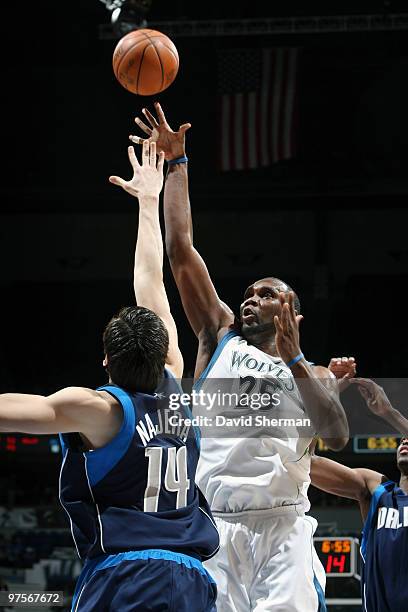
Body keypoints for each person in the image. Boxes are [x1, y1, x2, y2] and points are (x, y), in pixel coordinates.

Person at [130, 103, 349, 612]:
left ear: (291, 310)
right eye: (248, 292)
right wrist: (177, 165)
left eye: (267, 293)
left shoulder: (312, 373)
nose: (251, 297)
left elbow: (336, 435)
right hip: (216, 525)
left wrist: (296, 363)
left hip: (283, 525)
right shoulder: (218, 336)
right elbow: (181, 250)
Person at [0, 142, 219, 612]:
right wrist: (147, 201)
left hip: (127, 576)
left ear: (105, 362)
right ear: (165, 352)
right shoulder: (175, 384)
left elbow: (11, 411)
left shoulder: (100, 411)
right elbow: (150, 280)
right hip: (192, 579)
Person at [311, 377, 408, 612]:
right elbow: (307, 463)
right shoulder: (378, 491)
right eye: (404, 438)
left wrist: (390, 413)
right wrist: (323, 397)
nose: (405, 439)